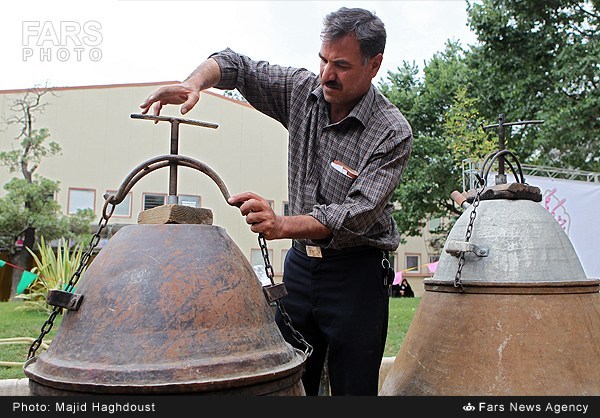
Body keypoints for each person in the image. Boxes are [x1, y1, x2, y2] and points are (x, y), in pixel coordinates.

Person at [139, 7, 413, 396]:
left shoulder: (392, 132)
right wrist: (194, 83)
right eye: (322, 59)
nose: (326, 75)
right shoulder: (303, 93)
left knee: (355, 387)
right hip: (301, 268)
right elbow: (236, 65)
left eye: (341, 65)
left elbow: (358, 213)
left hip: (357, 275)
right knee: (292, 380)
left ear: (375, 64)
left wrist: (282, 225)